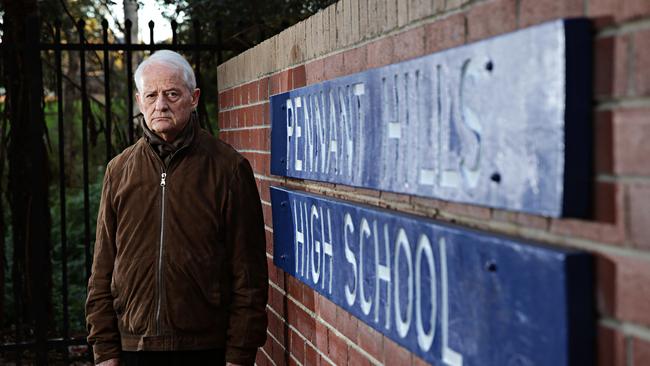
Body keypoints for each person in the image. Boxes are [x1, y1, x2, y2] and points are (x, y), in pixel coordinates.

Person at [86, 50, 268, 366]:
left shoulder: (228, 168)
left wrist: (240, 354)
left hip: (205, 348)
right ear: (140, 101)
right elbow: (102, 267)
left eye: (172, 94)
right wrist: (104, 350)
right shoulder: (119, 170)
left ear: (193, 97)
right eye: (151, 95)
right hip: (134, 347)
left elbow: (249, 274)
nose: (161, 105)